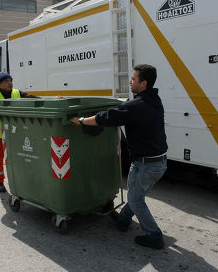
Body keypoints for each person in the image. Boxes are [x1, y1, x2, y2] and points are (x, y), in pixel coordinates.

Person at [70, 64, 168, 250]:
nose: (130, 81)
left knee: (136, 199)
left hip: (147, 164)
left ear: (144, 83)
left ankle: (154, 235)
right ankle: (123, 220)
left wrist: (81, 121)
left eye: (133, 78)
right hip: (157, 161)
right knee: (135, 194)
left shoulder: (138, 105)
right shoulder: (154, 100)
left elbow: (107, 117)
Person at [0, 72, 37, 192]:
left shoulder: (17, 93)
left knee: (18, 157)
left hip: (14, 133)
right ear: (0, 84)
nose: (9, 83)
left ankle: (19, 178)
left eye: (10, 80)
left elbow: (32, 99)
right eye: (6, 81)